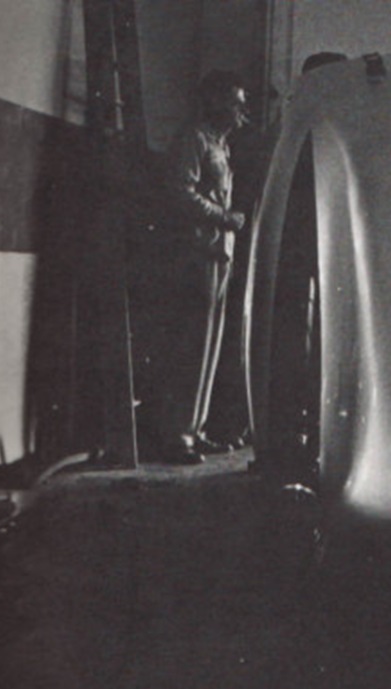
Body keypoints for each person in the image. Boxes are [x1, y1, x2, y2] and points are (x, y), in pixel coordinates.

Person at [155, 69, 250, 464]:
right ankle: (177, 435)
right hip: (196, 254)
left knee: (210, 346)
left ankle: (195, 430)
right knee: (192, 346)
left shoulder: (219, 144)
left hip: (218, 253)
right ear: (213, 100)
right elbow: (179, 192)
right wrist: (225, 218)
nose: (241, 109)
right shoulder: (193, 139)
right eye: (234, 101)